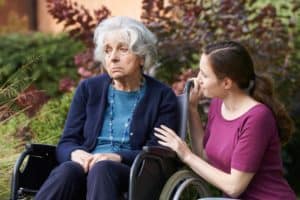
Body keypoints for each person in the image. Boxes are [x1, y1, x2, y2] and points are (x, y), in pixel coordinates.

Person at [35, 16, 179, 200]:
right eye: (108, 51)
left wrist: (118, 156)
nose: (113, 58)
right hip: (87, 164)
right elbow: (67, 142)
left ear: (142, 57)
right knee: (68, 170)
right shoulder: (88, 89)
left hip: (134, 172)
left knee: (103, 169)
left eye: (123, 49)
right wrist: (74, 152)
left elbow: (159, 150)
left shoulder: (161, 95)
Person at [154, 41, 296, 199]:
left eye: (205, 75)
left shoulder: (257, 118)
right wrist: (192, 110)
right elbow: (203, 155)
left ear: (227, 83)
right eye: (199, 72)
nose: (197, 79)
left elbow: (234, 187)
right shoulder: (217, 105)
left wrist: (186, 154)